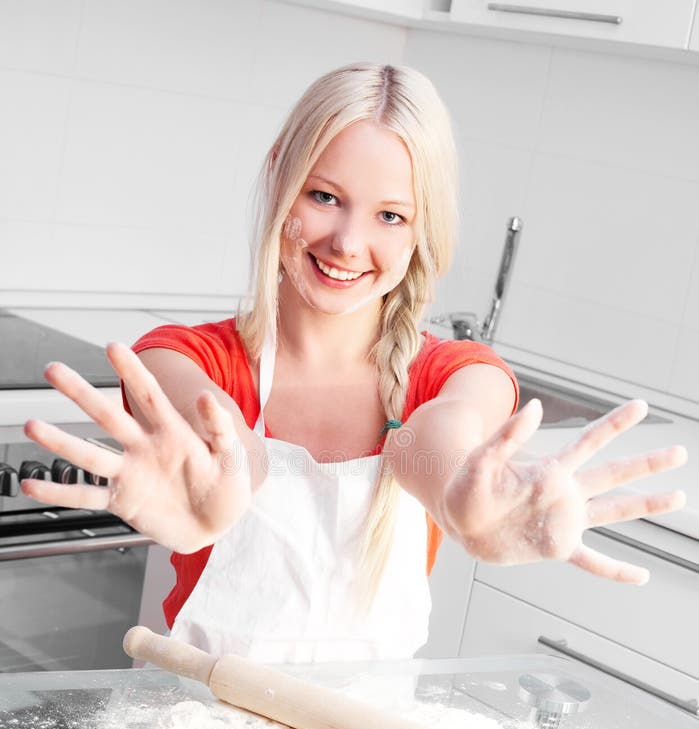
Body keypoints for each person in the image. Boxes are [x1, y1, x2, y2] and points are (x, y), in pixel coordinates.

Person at [22, 63, 686, 664]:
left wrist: (465, 502)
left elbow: (429, 448)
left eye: (390, 215)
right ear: (281, 174)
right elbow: (230, 447)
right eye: (324, 197)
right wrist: (224, 482)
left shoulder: (458, 374)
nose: (347, 242)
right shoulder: (184, 358)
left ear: (421, 229)